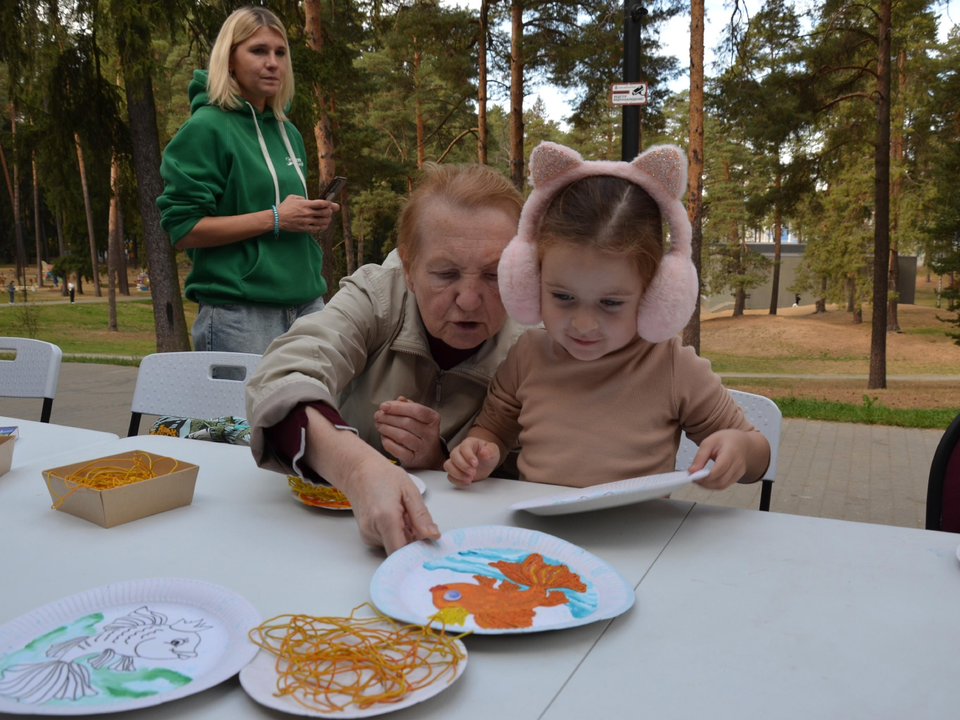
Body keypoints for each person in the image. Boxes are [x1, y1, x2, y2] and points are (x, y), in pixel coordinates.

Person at [444, 142, 770, 490]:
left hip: (640, 542)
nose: (584, 323)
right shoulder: (527, 356)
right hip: (543, 541)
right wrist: (480, 450)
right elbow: (493, 429)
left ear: (654, 295)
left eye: (611, 303)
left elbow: (758, 456)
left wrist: (740, 450)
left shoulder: (673, 367)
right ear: (531, 280)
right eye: (563, 296)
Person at [246, 163, 525, 554]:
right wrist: (359, 469)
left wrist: (437, 457)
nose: (468, 299)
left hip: (478, 550)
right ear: (408, 268)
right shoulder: (377, 297)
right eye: (445, 273)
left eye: (495, 275)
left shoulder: (538, 342)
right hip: (326, 542)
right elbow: (278, 379)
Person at [157, 6, 338, 355]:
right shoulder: (205, 128)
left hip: (307, 306)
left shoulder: (289, 132)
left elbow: (282, 215)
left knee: (315, 409)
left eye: (280, 52)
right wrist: (275, 218)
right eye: (258, 51)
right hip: (239, 314)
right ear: (229, 60)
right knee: (241, 414)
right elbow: (183, 229)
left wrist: (307, 217)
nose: (273, 63)